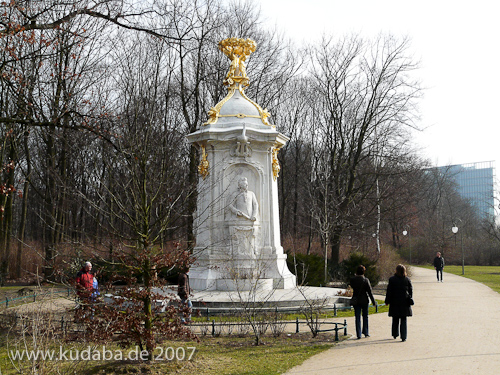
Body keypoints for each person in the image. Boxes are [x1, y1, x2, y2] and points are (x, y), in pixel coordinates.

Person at [385, 264, 413, 342]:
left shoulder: (392, 279)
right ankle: (403, 336)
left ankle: (395, 333)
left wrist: (387, 301)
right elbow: (410, 291)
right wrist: (410, 298)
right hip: (404, 302)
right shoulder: (407, 280)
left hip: (395, 302)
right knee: (403, 319)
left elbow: (389, 291)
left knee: (395, 318)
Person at [349, 265, 377, 339]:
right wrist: (374, 302)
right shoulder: (365, 280)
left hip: (356, 300)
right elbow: (369, 292)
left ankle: (358, 334)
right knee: (365, 316)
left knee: (357, 317)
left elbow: (352, 285)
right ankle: (365, 332)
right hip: (364, 300)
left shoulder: (353, 280)